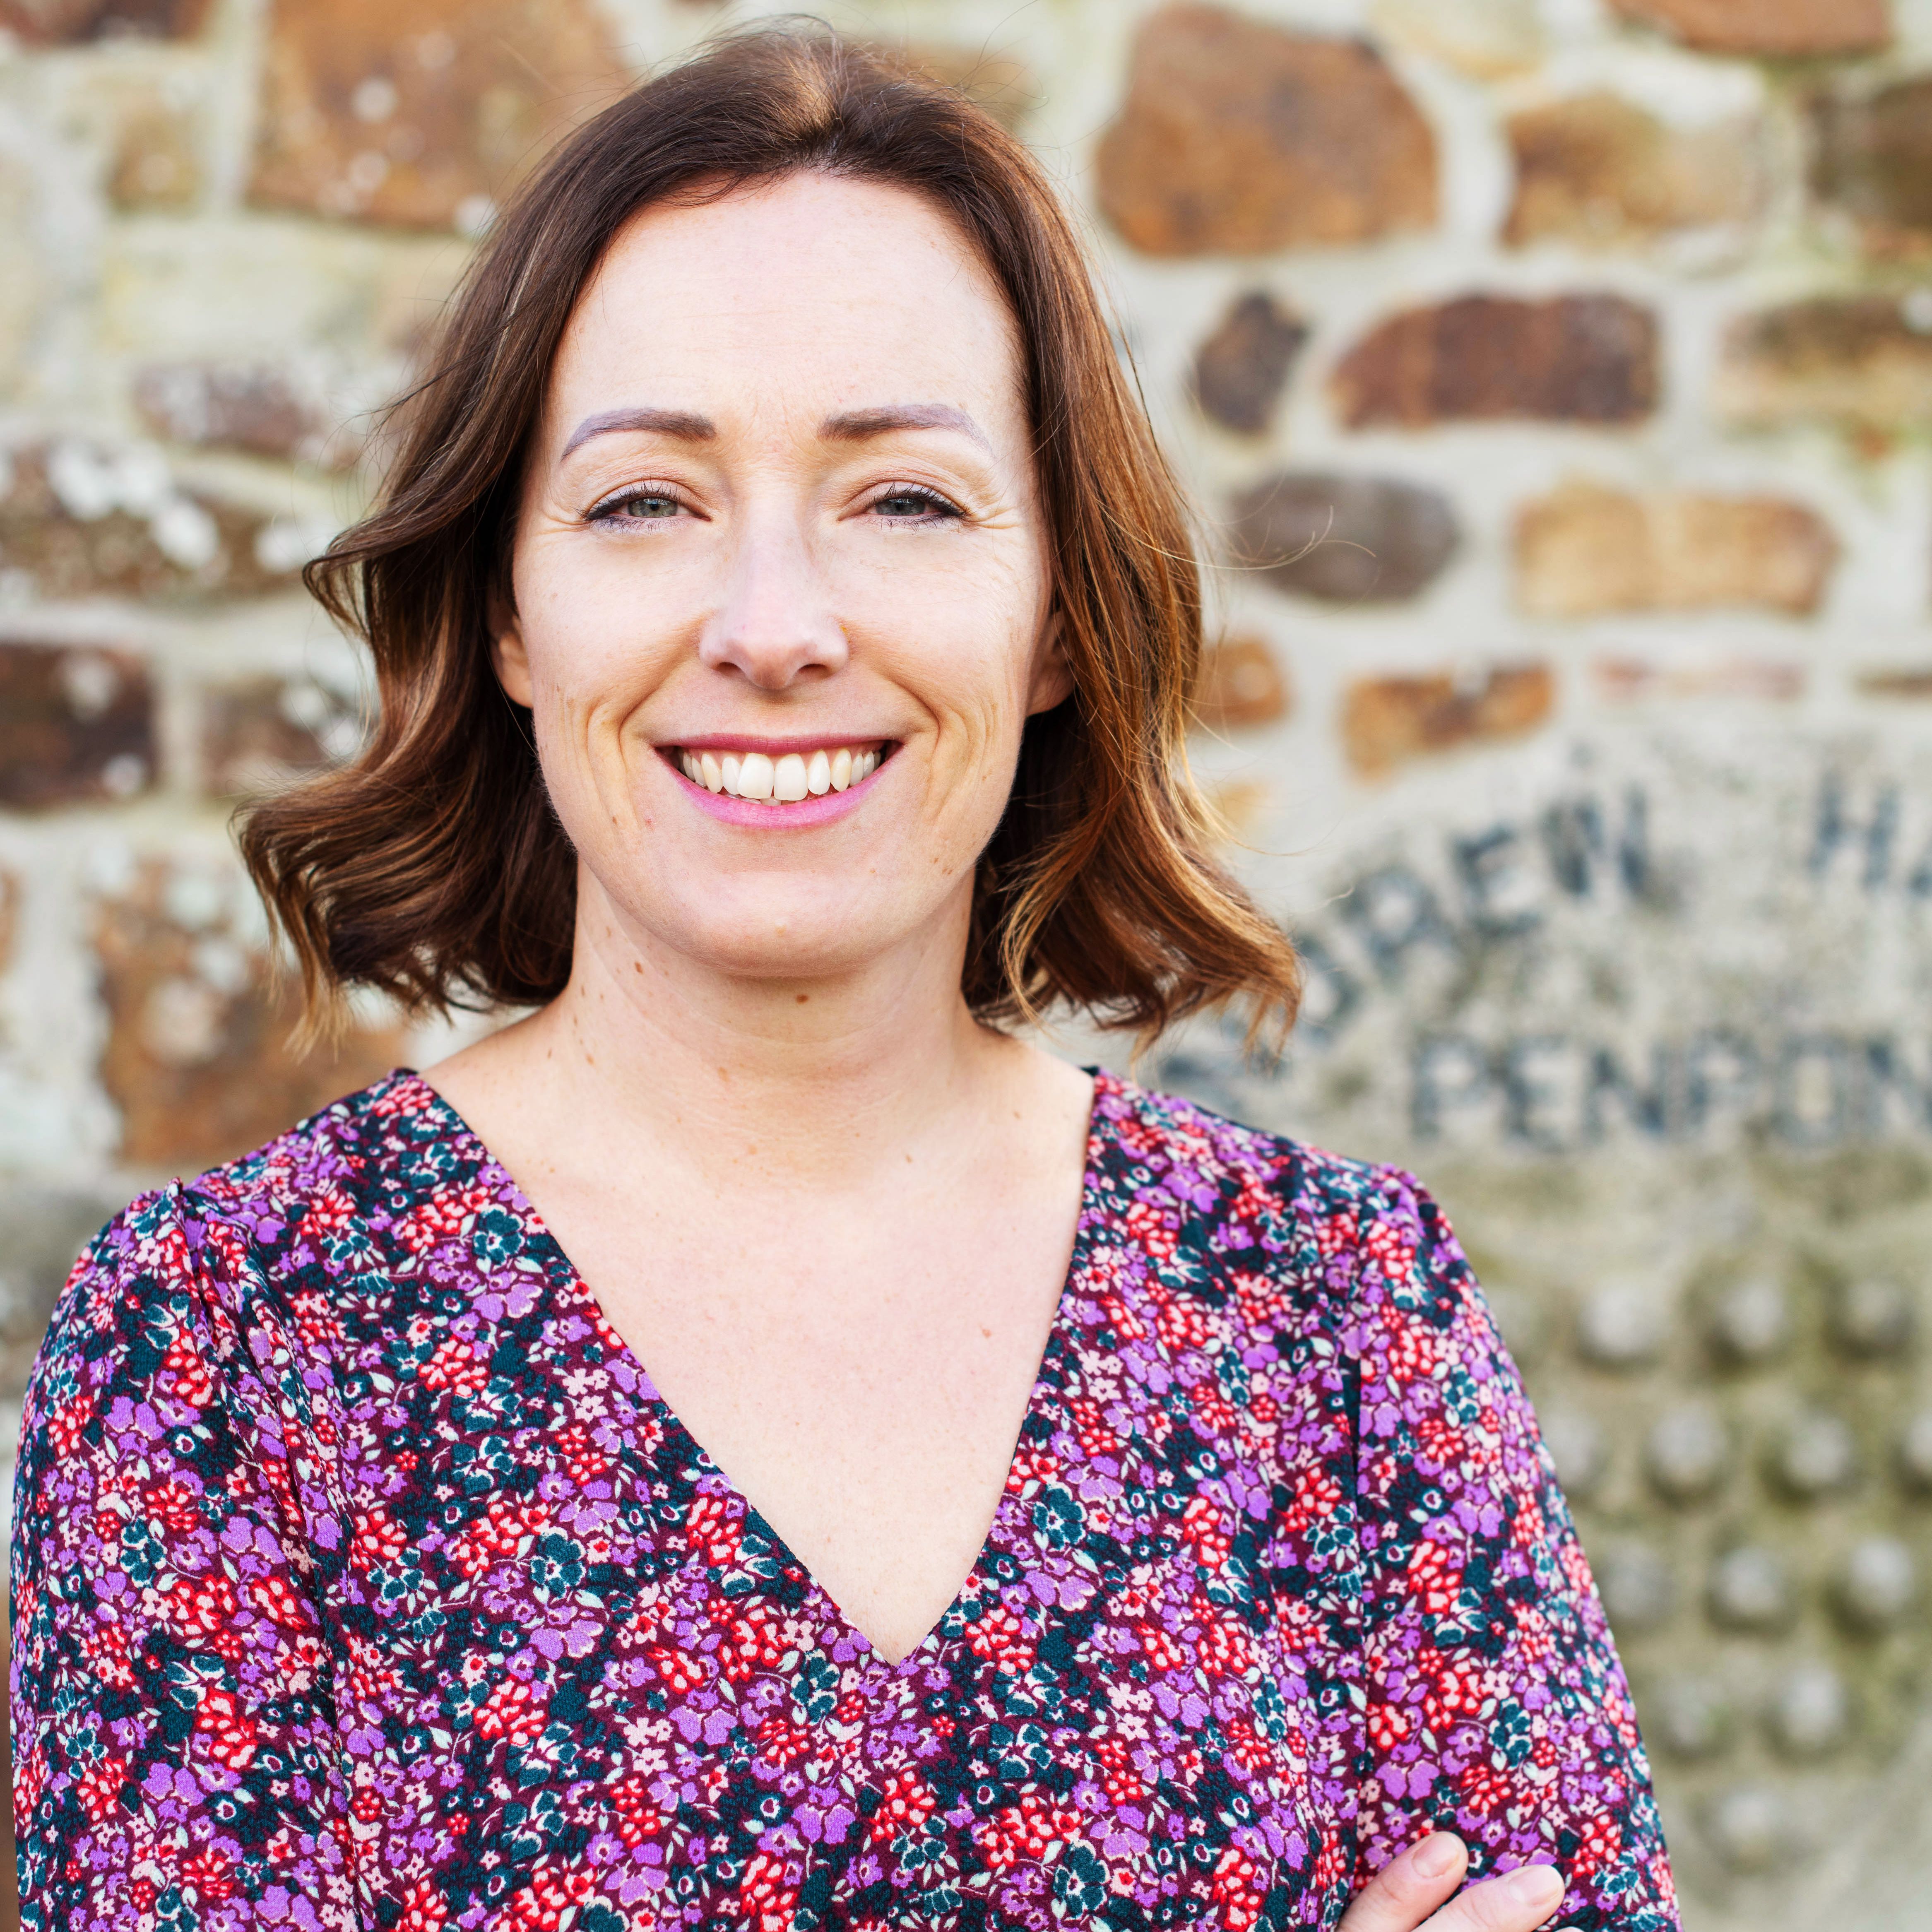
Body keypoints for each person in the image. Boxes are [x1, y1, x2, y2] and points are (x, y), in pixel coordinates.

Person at [9, 28, 1676, 1932]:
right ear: (512, 615)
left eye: (905, 500)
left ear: (1055, 617)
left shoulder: (1334, 1317)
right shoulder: (227, 1351)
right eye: (646, 501)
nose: (775, 627)